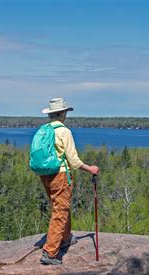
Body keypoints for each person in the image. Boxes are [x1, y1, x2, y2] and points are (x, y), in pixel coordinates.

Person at [39, 98, 100, 265]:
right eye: (65, 112)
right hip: (59, 175)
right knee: (60, 210)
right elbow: (73, 161)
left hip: (45, 174)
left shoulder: (44, 129)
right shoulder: (64, 131)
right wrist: (90, 169)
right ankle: (50, 252)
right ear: (62, 113)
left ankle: (65, 237)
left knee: (60, 206)